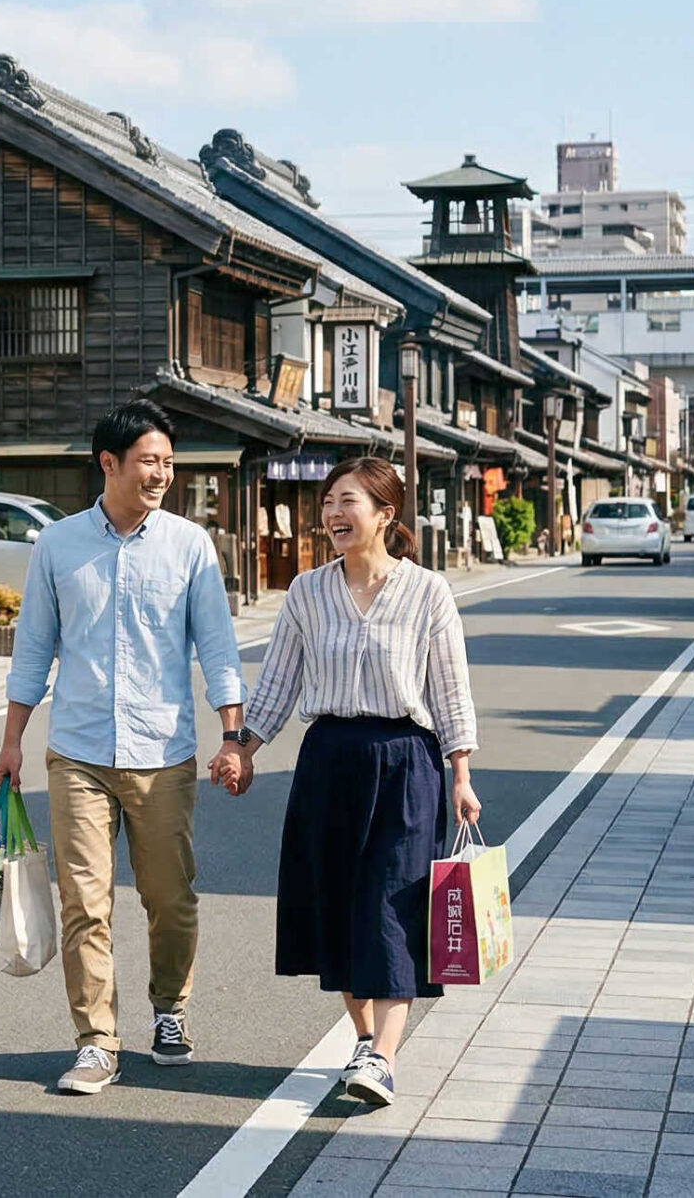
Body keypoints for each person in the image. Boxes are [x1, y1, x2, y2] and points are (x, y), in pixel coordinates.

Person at [209, 456, 480, 1108]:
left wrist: (461, 773)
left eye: (347, 499)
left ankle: (382, 1054)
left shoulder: (427, 592)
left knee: (392, 902)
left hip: (405, 760)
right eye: (327, 500)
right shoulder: (307, 590)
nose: (332, 512)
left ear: (386, 513)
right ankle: (364, 1039)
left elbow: (450, 691)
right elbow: (276, 684)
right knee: (336, 903)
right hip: (327, 757)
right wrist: (242, 747)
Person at [0, 399, 244, 1096]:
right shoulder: (59, 545)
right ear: (109, 463)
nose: (162, 472)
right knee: (84, 901)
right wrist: (12, 740)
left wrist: (232, 734)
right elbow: (33, 650)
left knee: (169, 896)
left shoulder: (190, 545)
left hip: (164, 751)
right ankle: (97, 1039)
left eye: (167, 461)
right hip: (76, 749)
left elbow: (218, 648)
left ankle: (170, 1009)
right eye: (149, 461)